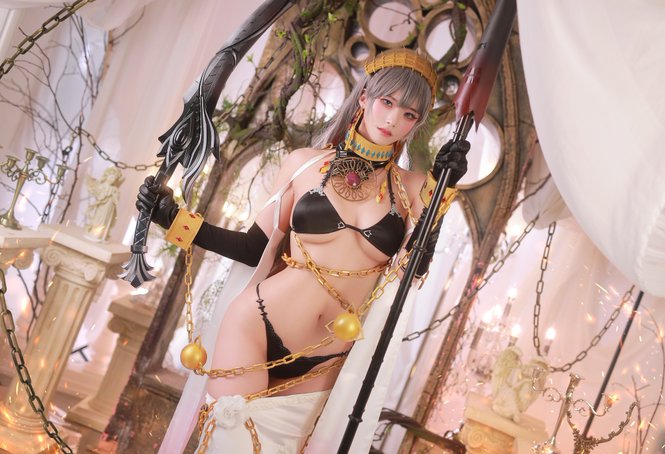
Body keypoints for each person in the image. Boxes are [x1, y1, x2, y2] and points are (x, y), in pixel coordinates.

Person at [137, 48, 470, 453]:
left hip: (326, 360)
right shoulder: (304, 164)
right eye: (387, 102)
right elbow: (253, 247)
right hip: (254, 326)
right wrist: (174, 220)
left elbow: (415, 270)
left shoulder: (416, 189)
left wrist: (444, 186)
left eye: (409, 114)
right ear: (365, 98)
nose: (392, 119)